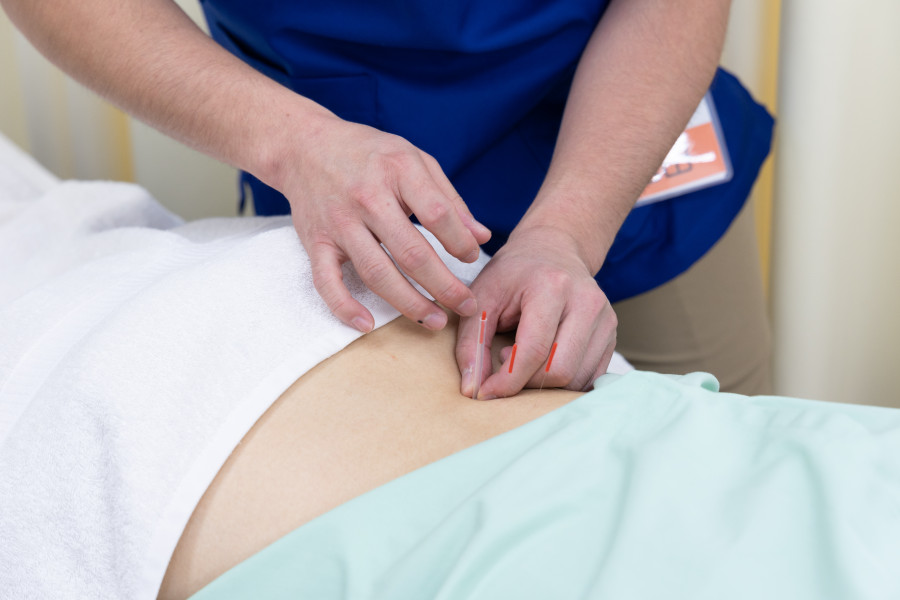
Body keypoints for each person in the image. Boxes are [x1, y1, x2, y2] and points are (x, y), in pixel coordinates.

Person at [0, 0, 773, 396]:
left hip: (630, 167)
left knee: (714, 492)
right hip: (338, 203)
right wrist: (295, 142)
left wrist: (568, 231)